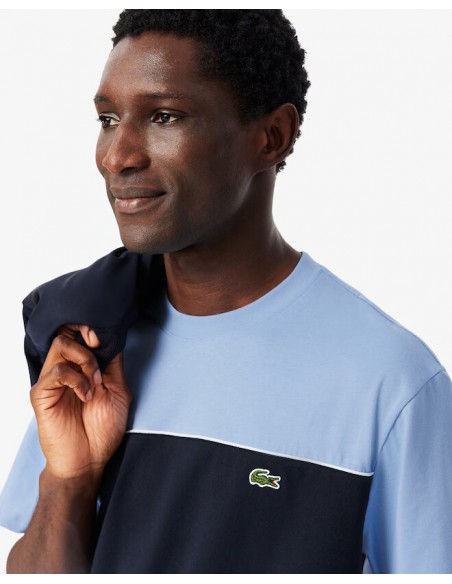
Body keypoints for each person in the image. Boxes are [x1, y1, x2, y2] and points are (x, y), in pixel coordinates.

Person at [1, 9, 451, 574]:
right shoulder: (95, 342)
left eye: (164, 116)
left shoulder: (391, 383)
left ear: (272, 137)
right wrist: (70, 481)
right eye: (109, 119)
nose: (117, 156)